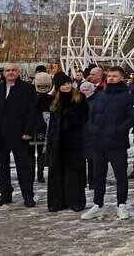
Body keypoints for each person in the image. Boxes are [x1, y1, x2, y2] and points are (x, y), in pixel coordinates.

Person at [82, 66, 134, 220]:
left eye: (115, 76)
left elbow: (131, 118)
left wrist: (117, 130)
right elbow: (90, 116)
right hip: (98, 143)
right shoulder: (100, 96)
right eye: (110, 76)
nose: (111, 78)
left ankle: (122, 204)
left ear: (121, 78)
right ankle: (98, 204)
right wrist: (93, 130)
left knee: (120, 175)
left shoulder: (127, 96)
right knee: (98, 175)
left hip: (117, 143)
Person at [0, 63, 38, 207]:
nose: (10, 72)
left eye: (13, 70)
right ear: (3, 73)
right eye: (8, 70)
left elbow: (32, 112)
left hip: (19, 134)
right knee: (2, 166)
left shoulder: (27, 88)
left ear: (18, 72)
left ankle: (28, 195)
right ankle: (5, 194)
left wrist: (28, 131)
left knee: (23, 167)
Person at [46, 72, 89, 213]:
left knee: (73, 173)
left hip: (73, 140)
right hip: (56, 140)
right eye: (63, 84)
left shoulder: (79, 97)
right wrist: (51, 91)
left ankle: (75, 201)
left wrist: (70, 117)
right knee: (56, 172)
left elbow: (84, 116)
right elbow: (40, 104)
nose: (67, 86)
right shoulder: (54, 100)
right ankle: (57, 202)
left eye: (68, 83)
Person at [31, 72, 52, 184]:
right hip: (32, 127)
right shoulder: (30, 97)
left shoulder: (51, 98)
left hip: (43, 127)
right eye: (40, 86)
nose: (43, 89)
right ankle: (32, 173)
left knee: (41, 152)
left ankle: (40, 173)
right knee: (31, 153)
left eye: (45, 86)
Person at [79, 81, 97, 189]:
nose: (85, 92)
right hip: (81, 133)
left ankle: (92, 181)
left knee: (91, 159)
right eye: (83, 90)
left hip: (91, 132)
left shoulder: (95, 101)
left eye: (87, 90)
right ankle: (82, 181)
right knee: (81, 159)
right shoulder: (78, 101)